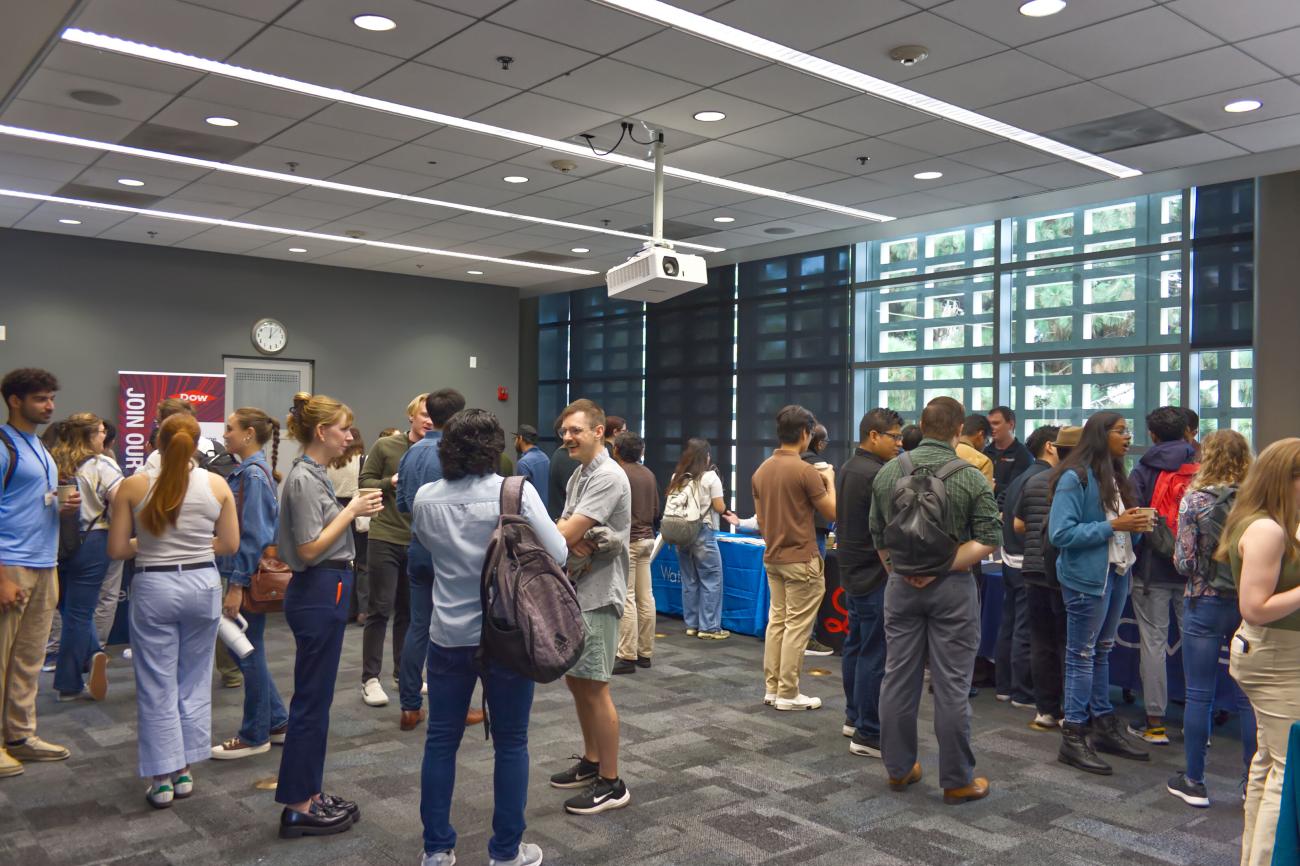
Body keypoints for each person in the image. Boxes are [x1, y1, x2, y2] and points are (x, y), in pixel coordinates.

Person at [411, 408, 567, 866]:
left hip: (448, 634)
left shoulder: (425, 498)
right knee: (511, 742)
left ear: (447, 449)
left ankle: (436, 850)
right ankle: (506, 852)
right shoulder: (514, 492)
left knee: (441, 741)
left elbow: (427, 550)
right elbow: (558, 551)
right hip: (508, 635)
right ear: (495, 447)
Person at [869, 396, 999, 804]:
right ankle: (957, 780)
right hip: (954, 588)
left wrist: (902, 570)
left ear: (922, 427)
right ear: (959, 430)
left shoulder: (889, 472)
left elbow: (877, 534)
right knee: (952, 685)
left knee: (897, 678)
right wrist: (941, 568)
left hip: (900, 586)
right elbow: (989, 538)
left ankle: (899, 769)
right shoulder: (972, 475)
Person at [107, 412, 239, 807]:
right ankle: (184, 770)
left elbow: (117, 549)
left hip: (155, 586)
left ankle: (162, 779)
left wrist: (147, 545)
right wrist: (193, 546)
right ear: (197, 444)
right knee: (194, 679)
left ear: (156, 443)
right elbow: (229, 544)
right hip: (202, 584)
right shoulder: (217, 484)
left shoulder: (133, 486)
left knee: (156, 682)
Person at [275, 392, 382, 838]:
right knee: (311, 703)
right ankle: (298, 804)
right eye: (342, 428)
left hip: (328, 587)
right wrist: (352, 510)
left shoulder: (314, 474)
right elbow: (309, 548)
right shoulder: (304, 479)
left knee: (317, 702)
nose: (349, 436)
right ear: (321, 431)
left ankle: (309, 793)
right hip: (319, 588)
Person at [1048, 411, 1152, 776]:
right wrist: (1115, 525)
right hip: (1086, 579)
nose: (1128, 437)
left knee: (1101, 652)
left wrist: (1133, 526)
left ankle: (1103, 723)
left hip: (1117, 572)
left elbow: (1115, 529)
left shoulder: (1115, 476)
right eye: (1121, 431)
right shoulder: (1074, 478)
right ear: (1100, 435)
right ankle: (1073, 734)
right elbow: (1060, 534)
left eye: (1128, 430)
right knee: (1081, 655)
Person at [548, 398, 632, 815]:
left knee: (596, 686)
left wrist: (568, 534)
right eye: (564, 431)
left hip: (598, 593)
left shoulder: (608, 476)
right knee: (577, 681)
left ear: (599, 431)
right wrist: (566, 533)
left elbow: (563, 535)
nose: (567, 437)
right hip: (578, 589)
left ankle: (612, 783)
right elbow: (562, 530)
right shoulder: (580, 474)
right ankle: (592, 760)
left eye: (575, 430)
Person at [1166, 429, 1257, 808]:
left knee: (1199, 694)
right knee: (1247, 697)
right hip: (1248, 604)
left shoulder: (1195, 500)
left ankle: (1195, 781)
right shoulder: (1256, 501)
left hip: (1203, 602)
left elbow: (1184, 563)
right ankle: (1252, 784)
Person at [1222, 439, 1300, 866]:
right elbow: (1255, 607)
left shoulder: (1270, 521)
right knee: (1288, 772)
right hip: (1276, 658)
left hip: (1275, 654)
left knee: (1270, 762)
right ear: (1287, 479)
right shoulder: (1267, 528)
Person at [0, 368, 77, 778]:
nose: (49, 406)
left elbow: (31, 501)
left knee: (29, 658)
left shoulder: (40, 447)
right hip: (10, 564)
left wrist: (61, 506)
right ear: (15, 401)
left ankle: (19, 735)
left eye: (51, 398)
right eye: (40, 399)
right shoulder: (3, 444)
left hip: (44, 562)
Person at [396, 389, 483, 732]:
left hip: (418, 546)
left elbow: (402, 504)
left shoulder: (412, 452)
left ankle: (409, 706)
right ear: (460, 416)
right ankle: (457, 706)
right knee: (458, 627)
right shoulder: (457, 453)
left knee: (418, 627)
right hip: (451, 549)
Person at [211, 408, 290, 761]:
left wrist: (236, 585)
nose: (225, 434)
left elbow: (255, 536)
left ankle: (254, 734)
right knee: (248, 650)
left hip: (242, 575)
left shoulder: (253, 475)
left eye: (230, 428)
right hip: (239, 573)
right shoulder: (249, 471)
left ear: (249, 434)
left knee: (247, 653)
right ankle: (276, 721)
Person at [752, 405, 836, 711]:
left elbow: (761, 521)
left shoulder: (762, 470)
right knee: (798, 627)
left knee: (777, 622)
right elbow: (833, 513)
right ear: (805, 433)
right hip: (801, 558)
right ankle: (788, 692)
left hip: (773, 557)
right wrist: (829, 479)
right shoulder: (806, 471)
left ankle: (773, 689)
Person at [1127, 406, 1199, 744]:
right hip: (1194, 573)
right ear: (1187, 431)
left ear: (1152, 435)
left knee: (1152, 644)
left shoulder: (1143, 470)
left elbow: (1134, 520)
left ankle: (1155, 723)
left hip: (1151, 570)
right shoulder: (1203, 467)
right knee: (1196, 645)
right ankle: (1197, 724)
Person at [835, 408, 902, 759]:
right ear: (874, 435)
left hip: (852, 569)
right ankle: (869, 731)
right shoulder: (878, 474)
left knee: (857, 646)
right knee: (874, 652)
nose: (899, 443)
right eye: (894, 437)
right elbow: (886, 529)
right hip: (874, 572)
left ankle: (854, 716)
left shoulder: (849, 467)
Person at [358, 394, 429, 707]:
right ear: (411, 416)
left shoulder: (437, 452)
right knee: (380, 608)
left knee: (409, 612)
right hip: (385, 536)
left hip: (418, 540)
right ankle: (370, 679)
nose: (429, 420)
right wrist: (391, 481)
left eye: (433, 415)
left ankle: (404, 674)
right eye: (423, 414)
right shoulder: (386, 446)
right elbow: (365, 481)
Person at [49, 412, 121, 702]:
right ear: (89, 436)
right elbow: (121, 501)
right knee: (80, 612)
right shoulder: (102, 464)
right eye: (101, 431)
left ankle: (91, 654)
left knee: (67, 607)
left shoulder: (53, 462)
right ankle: (69, 682)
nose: (104, 436)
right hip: (92, 540)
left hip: (56, 541)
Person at [995, 425, 1060, 710]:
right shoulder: (1044, 479)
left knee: (1010, 624)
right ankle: (1022, 691)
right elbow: (1025, 525)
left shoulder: (1022, 476)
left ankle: (1005, 686)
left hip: (1010, 557)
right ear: (1050, 446)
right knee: (1026, 628)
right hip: (1027, 561)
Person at [1015, 425, 1073, 730]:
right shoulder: (1078, 482)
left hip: (1033, 568)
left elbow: (1017, 524)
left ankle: (1045, 710)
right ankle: (1070, 710)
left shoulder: (1034, 480)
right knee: (1068, 643)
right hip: (1064, 572)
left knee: (1041, 642)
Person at [664, 437, 737, 644]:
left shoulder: (677, 477)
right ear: (706, 457)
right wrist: (728, 512)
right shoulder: (711, 477)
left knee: (689, 579)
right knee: (711, 578)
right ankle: (709, 627)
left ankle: (692, 625)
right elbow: (719, 507)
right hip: (702, 532)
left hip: (681, 532)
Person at [612, 430, 662, 674]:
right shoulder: (648, 474)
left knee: (627, 597)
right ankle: (645, 653)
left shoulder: (619, 474)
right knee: (646, 597)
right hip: (648, 539)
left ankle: (626, 655)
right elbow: (656, 510)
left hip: (629, 541)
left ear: (616, 450)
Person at [327, 428, 368, 623]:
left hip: (335, 513)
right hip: (358, 511)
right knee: (363, 563)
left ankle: (346, 608)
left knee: (342, 561)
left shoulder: (330, 461)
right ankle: (363, 610)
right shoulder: (363, 460)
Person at [92, 421, 126, 649]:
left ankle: (56, 651)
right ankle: (96, 649)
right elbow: (120, 504)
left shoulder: (65, 461)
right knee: (106, 595)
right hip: (106, 535)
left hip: (75, 539)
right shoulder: (107, 465)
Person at [142, 398, 221, 471]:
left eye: (158, 422)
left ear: (165, 424)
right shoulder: (216, 448)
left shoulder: (155, 458)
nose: (157, 427)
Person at [984, 406, 1033, 508]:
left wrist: (994, 486)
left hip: (1007, 510)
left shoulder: (1023, 454)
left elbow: (1018, 489)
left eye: (996, 423)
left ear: (1011, 424)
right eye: (989, 424)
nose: (991, 428)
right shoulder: (985, 452)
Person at [513, 425, 550, 510]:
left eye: (515, 439)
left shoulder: (523, 463)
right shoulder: (545, 457)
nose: (515, 442)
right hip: (546, 511)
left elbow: (523, 496)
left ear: (520, 438)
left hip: (533, 511)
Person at [547, 429, 580, 522]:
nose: (567, 437)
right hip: (564, 522)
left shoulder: (562, 455)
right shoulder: (566, 458)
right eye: (564, 432)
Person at [955, 414, 994, 486]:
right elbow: (985, 492)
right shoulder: (983, 462)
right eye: (987, 441)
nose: (985, 446)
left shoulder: (943, 451)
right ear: (981, 434)